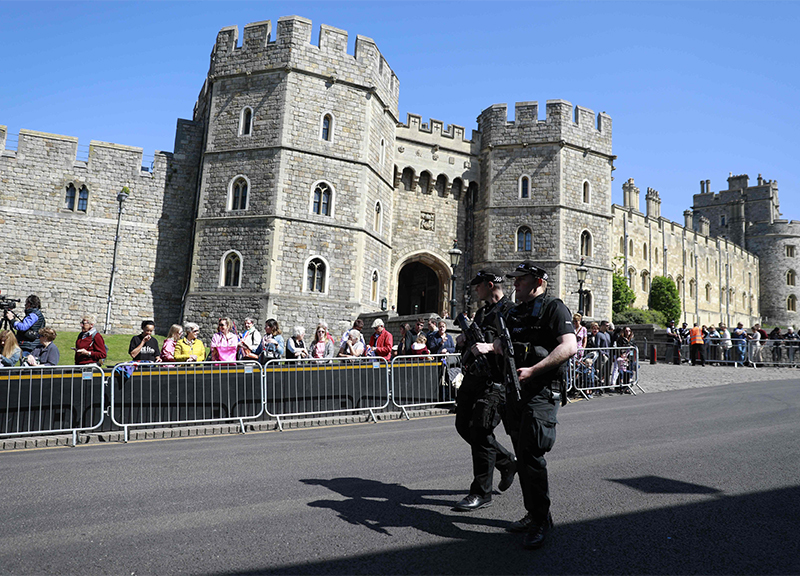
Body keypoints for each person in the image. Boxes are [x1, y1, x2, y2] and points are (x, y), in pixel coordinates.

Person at [472, 261, 576, 550]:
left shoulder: (554, 308)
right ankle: (534, 514)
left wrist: (534, 369)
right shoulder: (514, 312)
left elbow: (569, 346)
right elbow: (505, 346)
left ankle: (541, 519)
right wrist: (491, 347)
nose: (515, 284)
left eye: (521, 279)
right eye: (514, 279)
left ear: (538, 282)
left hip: (541, 391)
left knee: (531, 456)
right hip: (514, 391)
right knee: (522, 453)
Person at [452, 268, 517, 513]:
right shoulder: (481, 312)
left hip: (495, 381)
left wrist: (490, 346)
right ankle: (506, 461)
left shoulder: (510, 311)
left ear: (490, 284)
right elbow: (473, 344)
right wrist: (464, 341)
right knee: (462, 425)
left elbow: (514, 343)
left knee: (480, 431)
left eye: (478, 285)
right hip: (474, 378)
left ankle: (481, 492)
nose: (475, 289)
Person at [5, 294, 45, 362]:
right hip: (32, 344)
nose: (25, 306)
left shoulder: (33, 314)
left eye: (26, 304)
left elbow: (23, 327)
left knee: (26, 365)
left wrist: (12, 320)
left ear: (29, 304)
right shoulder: (37, 313)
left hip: (29, 346)